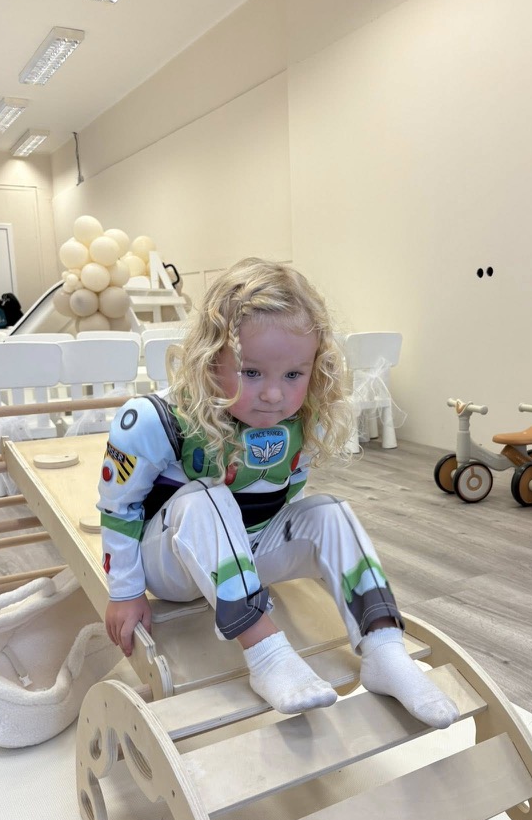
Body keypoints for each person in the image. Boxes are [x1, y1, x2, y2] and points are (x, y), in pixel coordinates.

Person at [98, 257, 458, 728]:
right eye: (252, 373)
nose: (274, 394)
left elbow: (289, 497)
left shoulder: (305, 419)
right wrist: (125, 592)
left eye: (293, 375)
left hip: (246, 551)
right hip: (172, 564)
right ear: (210, 361)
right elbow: (118, 504)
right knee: (206, 497)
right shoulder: (155, 421)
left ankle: (384, 648)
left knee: (331, 511)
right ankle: (266, 655)